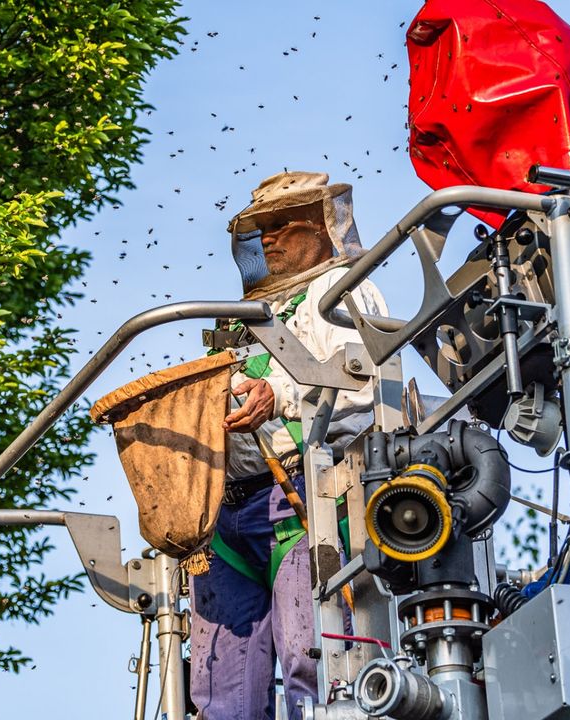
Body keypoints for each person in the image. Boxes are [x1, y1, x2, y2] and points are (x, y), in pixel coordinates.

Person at [188, 171, 387, 720]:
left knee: (316, 661)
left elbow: (363, 378)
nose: (269, 239)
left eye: (282, 225)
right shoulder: (243, 317)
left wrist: (278, 395)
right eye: (262, 229)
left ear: (322, 228)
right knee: (219, 689)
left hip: (307, 496)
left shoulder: (341, 288)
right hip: (224, 516)